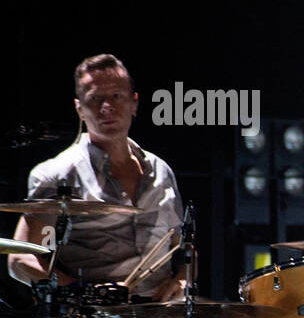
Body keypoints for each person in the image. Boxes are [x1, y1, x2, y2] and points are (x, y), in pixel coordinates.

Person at [7, 53, 186, 302]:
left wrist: (182, 279)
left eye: (116, 96)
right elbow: (20, 259)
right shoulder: (57, 176)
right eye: (95, 99)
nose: (107, 107)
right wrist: (83, 293)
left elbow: (184, 250)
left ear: (134, 103)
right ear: (79, 108)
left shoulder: (161, 170)